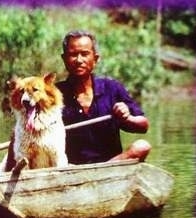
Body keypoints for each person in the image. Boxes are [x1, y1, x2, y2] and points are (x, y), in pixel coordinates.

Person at [56, 30, 151, 164]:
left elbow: (144, 126)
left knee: (142, 146)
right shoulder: (54, 94)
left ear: (95, 59)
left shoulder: (112, 88)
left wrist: (127, 117)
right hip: (69, 169)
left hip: (111, 166)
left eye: (84, 54)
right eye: (73, 55)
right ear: (64, 59)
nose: (78, 60)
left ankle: (101, 171)